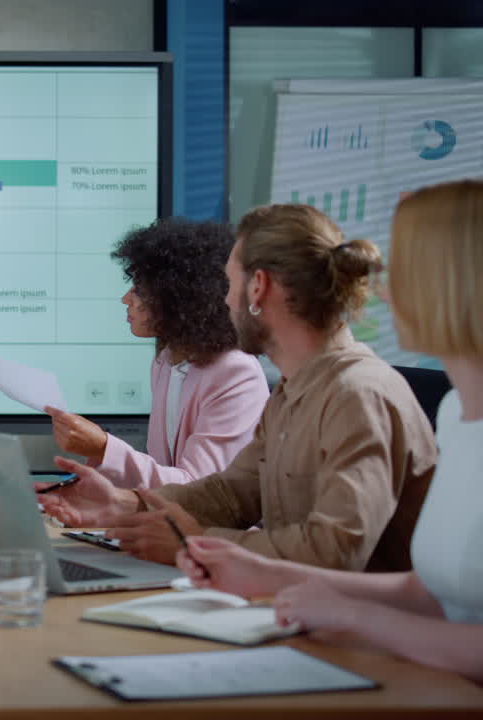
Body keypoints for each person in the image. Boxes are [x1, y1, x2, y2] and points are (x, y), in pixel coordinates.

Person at [174, 179, 482, 683]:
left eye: (403, 272)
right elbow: (433, 593)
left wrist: (357, 617)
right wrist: (265, 572)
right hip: (421, 680)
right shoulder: (456, 414)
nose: (384, 291)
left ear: (456, 285)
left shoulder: (361, 391)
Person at [41, 203, 436, 572]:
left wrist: (194, 543)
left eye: (229, 283)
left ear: (258, 287)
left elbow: (335, 549)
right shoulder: (293, 390)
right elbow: (232, 494)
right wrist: (123, 503)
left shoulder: (357, 395)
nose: (223, 301)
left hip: (341, 622)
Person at [46, 218, 268, 488]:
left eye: (139, 291)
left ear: (178, 298)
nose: (126, 299)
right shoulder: (167, 360)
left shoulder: (236, 373)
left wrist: (104, 448)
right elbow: (162, 473)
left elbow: (199, 490)